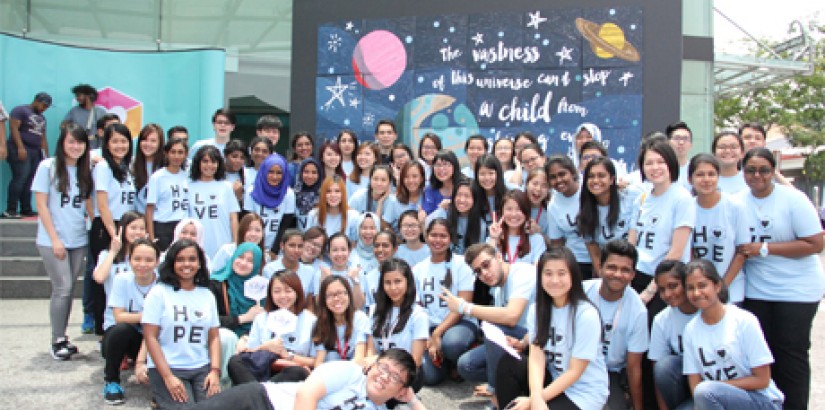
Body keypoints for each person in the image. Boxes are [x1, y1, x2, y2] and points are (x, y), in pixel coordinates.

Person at [735, 148, 824, 410]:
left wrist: (765, 248)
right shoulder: (738, 201)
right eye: (750, 170)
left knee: (790, 355)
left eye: (763, 170)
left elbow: (815, 243)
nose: (757, 175)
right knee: (762, 357)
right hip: (757, 289)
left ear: (773, 171)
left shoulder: (793, 199)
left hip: (797, 290)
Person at [496, 246, 609, 410]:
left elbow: (574, 372)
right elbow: (536, 355)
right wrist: (535, 396)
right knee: (509, 362)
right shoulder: (537, 310)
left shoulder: (586, 314)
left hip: (583, 393)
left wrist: (535, 399)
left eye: (561, 273)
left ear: (573, 276)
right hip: (554, 380)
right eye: (548, 273)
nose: (555, 280)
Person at [681, 259, 784, 410]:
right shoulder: (690, 329)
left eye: (702, 285)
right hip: (716, 399)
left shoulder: (744, 320)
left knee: (705, 391)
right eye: (690, 288)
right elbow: (694, 383)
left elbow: (762, 380)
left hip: (761, 400)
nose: (696, 293)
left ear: (717, 286)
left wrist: (716, 389)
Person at [186, 348, 426, 410]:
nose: (384, 377)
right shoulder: (350, 373)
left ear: (399, 391)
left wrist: (413, 402)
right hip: (262, 401)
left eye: (394, 377)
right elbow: (306, 395)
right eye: (383, 367)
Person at [445, 243, 535, 406]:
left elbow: (511, 316)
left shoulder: (522, 272)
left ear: (499, 257)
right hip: (517, 342)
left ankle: (497, 395)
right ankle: (511, 383)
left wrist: (465, 307)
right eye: (478, 271)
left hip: (536, 340)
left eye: (486, 265)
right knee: (466, 365)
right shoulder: (499, 290)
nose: (484, 274)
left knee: (494, 327)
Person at [33, 123, 92, 359]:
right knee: (62, 288)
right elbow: (41, 205)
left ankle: (62, 337)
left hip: (78, 238)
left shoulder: (85, 169)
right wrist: (55, 239)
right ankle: (56, 339)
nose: (75, 147)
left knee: (68, 290)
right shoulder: (47, 167)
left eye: (80, 142)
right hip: (52, 240)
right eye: (71, 142)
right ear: (62, 143)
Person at [142, 239, 221, 408]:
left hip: (201, 367)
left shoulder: (207, 295)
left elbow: (214, 337)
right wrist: (168, 377)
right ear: (172, 263)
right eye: (180, 259)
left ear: (200, 263)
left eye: (192, 259)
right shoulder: (159, 293)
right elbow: (150, 337)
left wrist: (215, 371)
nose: (187, 264)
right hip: (168, 367)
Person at [628, 140, 694, 323]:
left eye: (660, 162)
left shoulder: (682, 199)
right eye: (649, 163)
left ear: (670, 164)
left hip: (664, 281)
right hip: (638, 276)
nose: (655, 167)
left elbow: (676, 252)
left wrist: (650, 291)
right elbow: (631, 243)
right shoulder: (641, 199)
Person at [582, 239, 648, 410]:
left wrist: (638, 407)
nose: (618, 274)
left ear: (633, 274)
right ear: (600, 267)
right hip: (576, 364)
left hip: (609, 373)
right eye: (612, 267)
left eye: (625, 270)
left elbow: (634, 367)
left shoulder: (638, 311)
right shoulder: (581, 293)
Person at [413, 218, 476, 386]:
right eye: (433, 235)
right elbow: (416, 308)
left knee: (453, 344)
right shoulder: (418, 269)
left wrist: (437, 334)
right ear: (426, 236)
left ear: (451, 239)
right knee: (429, 377)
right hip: (430, 325)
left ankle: (455, 357)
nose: (438, 240)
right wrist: (425, 334)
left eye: (443, 236)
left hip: (459, 323)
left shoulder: (462, 264)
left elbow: (463, 305)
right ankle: (443, 361)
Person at [227, 271, 317, 384]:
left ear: (297, 292)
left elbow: (315, 361)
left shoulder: (311, 321)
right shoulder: (261, 318)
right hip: (262, 368)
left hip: (291, 369)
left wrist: (287, 355)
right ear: (270, 294)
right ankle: (260, 393)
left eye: (288, 291)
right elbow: (250, 353)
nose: (283, 296)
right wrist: (265, 347)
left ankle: (258, 394)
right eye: (277, 291)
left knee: (297, 372)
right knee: (235, 361)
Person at [91, 123, 137, 336]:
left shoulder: (126, 167)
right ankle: (103, 329)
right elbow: (102, 205)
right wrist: (114, 234)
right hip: (108, 227)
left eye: (124, 141)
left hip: (125, 225)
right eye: (115, 141)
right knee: (105, 279)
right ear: (106, 144)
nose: (120, 146)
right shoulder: (103, 167)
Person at [101, 238, 159, 405]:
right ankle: (112, 382)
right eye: (137, 259)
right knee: (121, 330)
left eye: (149, 260)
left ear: (157, 261)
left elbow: (161, 324)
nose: (142, 264)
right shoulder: (121, 279)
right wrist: (150, 315)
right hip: (130, 337)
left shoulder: (163, 283)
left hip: (154, 339)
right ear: (130, 259)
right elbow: (119, 316)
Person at [689, 153, 747, 304]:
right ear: (690, 179)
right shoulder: (687, 208)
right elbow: (688, 253)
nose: (706, 179)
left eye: (711, 174)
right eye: (700, 174)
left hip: (731, 289)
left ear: (718, 177)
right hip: (698, 291)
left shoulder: (735, 206)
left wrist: (721, 286)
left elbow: (742, 252)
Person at [366, 258, 428, 397]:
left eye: (398, 281)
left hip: (406, 371)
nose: (393, 288)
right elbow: (371, 349)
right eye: (388, 283)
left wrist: (379, 363)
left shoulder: (418, 314)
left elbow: (416, 360)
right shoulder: (374, 310)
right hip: (380, 368)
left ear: (408, 282)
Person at [209, 242, 265, 385]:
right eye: (240, 257)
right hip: (221, 339)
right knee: (227, 338)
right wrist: (243, 318)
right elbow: (210, 320)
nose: (243, 263)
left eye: (250, 261)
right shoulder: (216, 284)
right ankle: (223, 387)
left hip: (250, 339)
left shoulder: (261, 289)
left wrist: (247, 337)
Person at [648, 260, 698, 410]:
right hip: (687, 383)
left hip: (716, 383)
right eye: (662, 289)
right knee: (664, 366)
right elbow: (658, 370)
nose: (668, 294)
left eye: (673, 286)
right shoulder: (661, 319)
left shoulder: (707, 311)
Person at [93, 211, 147, 340]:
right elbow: (99, 278)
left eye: (142, 228)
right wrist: (113, 251)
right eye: (133, 228)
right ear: (122, 229)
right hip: (115, 320)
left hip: (143, 320)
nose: (138, 232)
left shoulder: (149, 257)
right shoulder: (106, 254)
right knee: (122, 332)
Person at [578, 157, 635, 276]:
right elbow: (595, 255)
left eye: (601, 175)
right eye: (591, 176)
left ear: (612, 179)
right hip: (609, 273)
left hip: (634, 268)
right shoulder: (585, 212)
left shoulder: (630, 199)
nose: (595, 180)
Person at [4, 92, 52, 219]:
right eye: (43, 105)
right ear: (36, 100)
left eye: (47, 107)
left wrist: (45, 156)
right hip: (20, 149)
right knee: (20, 178)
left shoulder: (42, 118)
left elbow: (42, 137)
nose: (44, 108)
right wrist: (20, 147)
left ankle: (26, 208)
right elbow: (14, 129)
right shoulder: (20, 110)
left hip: (35, 151)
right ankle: (11, 209)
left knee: (30, 180)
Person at [187, 145, 240, 260]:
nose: (209, 165)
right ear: (198, 163)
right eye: (205, 161)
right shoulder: (188, 186)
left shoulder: (226, 186)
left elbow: (233, 218)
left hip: (222, 243)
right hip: (197, 244)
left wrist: (236, 244)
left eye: (213, 161)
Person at [547, 155, 592, 278]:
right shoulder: (553, 206)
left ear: (573, 172)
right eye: (553, 177)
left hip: (601, 256)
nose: (558, 180)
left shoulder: (589, 189)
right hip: (576, 261)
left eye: (562, 174)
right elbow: (557, 242)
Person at [312, 275, 370, 366]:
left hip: (354, 373)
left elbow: (359, 358)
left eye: (340, 293)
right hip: (331, 375)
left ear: (349, 295)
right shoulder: (321, 322)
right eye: (330, 295)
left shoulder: (359, 318)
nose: (336, 299)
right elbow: (319, 362)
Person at [244, 154, 297, 255]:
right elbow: (247, 223)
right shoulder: (251, 191)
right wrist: (252, 247)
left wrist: (274, 251)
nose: (275, 176)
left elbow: (285, 225)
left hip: (277, 250)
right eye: (271, 172)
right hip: (253, 246)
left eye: (279, 173)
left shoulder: (288, 194)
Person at [146, 137, 190, 251]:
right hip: (163, 226)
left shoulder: (188, 177)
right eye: (173, 152)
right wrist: (151, 237)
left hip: (183, 225)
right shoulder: (158, 177)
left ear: (186, 154)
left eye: (180, 152)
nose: (176, 156)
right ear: (166, 153)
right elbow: (150, 209)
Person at [429, 179, 486, 255]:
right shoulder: (444, 214)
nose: (462, 200)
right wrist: (441, 208)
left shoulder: (480, 225)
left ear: (475, 200)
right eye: (459, 195)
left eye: (467, 196)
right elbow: (428, 230)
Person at [488, 190, 547, 264]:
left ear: (526, 212)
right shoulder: (492, 239)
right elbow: (487, 265)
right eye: (509, 209)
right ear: (502, 212)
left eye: (519, 209)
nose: (514, 214)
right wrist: (494, 238)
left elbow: (538, 269)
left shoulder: (536, 240)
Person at [262, 229, 317, 298]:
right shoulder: (270, 269)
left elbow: (309, 301)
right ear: (282, 246)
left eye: (300, 246)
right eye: (292, 245)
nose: (296, 250)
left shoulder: (310, 271)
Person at [317, 232, 366, 309]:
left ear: (349, 251)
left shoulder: (357, 273)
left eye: (343, 249)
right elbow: (319, 305)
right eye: (335, 250)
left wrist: (356, 282)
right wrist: (323, 282)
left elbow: (358, 306)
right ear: (329, 253)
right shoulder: (322, 273)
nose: (339, 254)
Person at [361, 229, 400, 309]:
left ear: (395, 249)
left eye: (385, 245)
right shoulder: (369, 277)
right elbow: (369, 307)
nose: (380, 249)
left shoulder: (403, 273)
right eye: (377, 246)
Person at [383, 161, 425, 233]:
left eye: (415, 176)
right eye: (406, 177)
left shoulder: (427, 197)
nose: (411, 180)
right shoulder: (394, 200)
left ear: (421, 178)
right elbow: (385, 224)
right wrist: (397, 240)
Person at [132, 123, 165, 214]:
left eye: (153, 141)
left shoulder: (167, 166)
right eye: (145, 140)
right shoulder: (131, 164)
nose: (148, 144)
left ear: (160, 143)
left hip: (160, 220)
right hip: (138, 220)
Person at [422, 150, 462, 215]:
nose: (441, 169)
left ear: (454, 166)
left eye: (445, 164)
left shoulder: (464, 187)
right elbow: (428, 217)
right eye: (438, 165)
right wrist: (440, 209)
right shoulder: (430, 189)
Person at [472, 153, 507, 226]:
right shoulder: (472, 195)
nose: (487, 178)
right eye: (482, 174)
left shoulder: (509, 193)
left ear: (498, 174)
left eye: (491, 173)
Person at [293, 157, 323, 231]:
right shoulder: (292, 195)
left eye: (314, 172)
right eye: (306, 172)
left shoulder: (325, 195)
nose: (310, 176)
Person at [524, 167, 551, 237]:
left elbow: (554, 244)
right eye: (535, 184)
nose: (538, 189)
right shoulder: (515, 206)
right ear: (527, 184)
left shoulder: (550, 215)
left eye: (544, 186)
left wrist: (539, 232)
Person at [666, 121, 693, 189]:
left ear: (691, 145)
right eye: (677, 138)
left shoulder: (695, 169)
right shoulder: (661, 169)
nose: (681, 142)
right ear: (667, 143)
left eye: (685, 139)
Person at [224, 139, 249, 204]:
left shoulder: (247, 175)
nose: (238, 160)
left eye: (242, 158)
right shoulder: (216, 174)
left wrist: (239, 198)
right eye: (234, 156)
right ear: (225, 156)